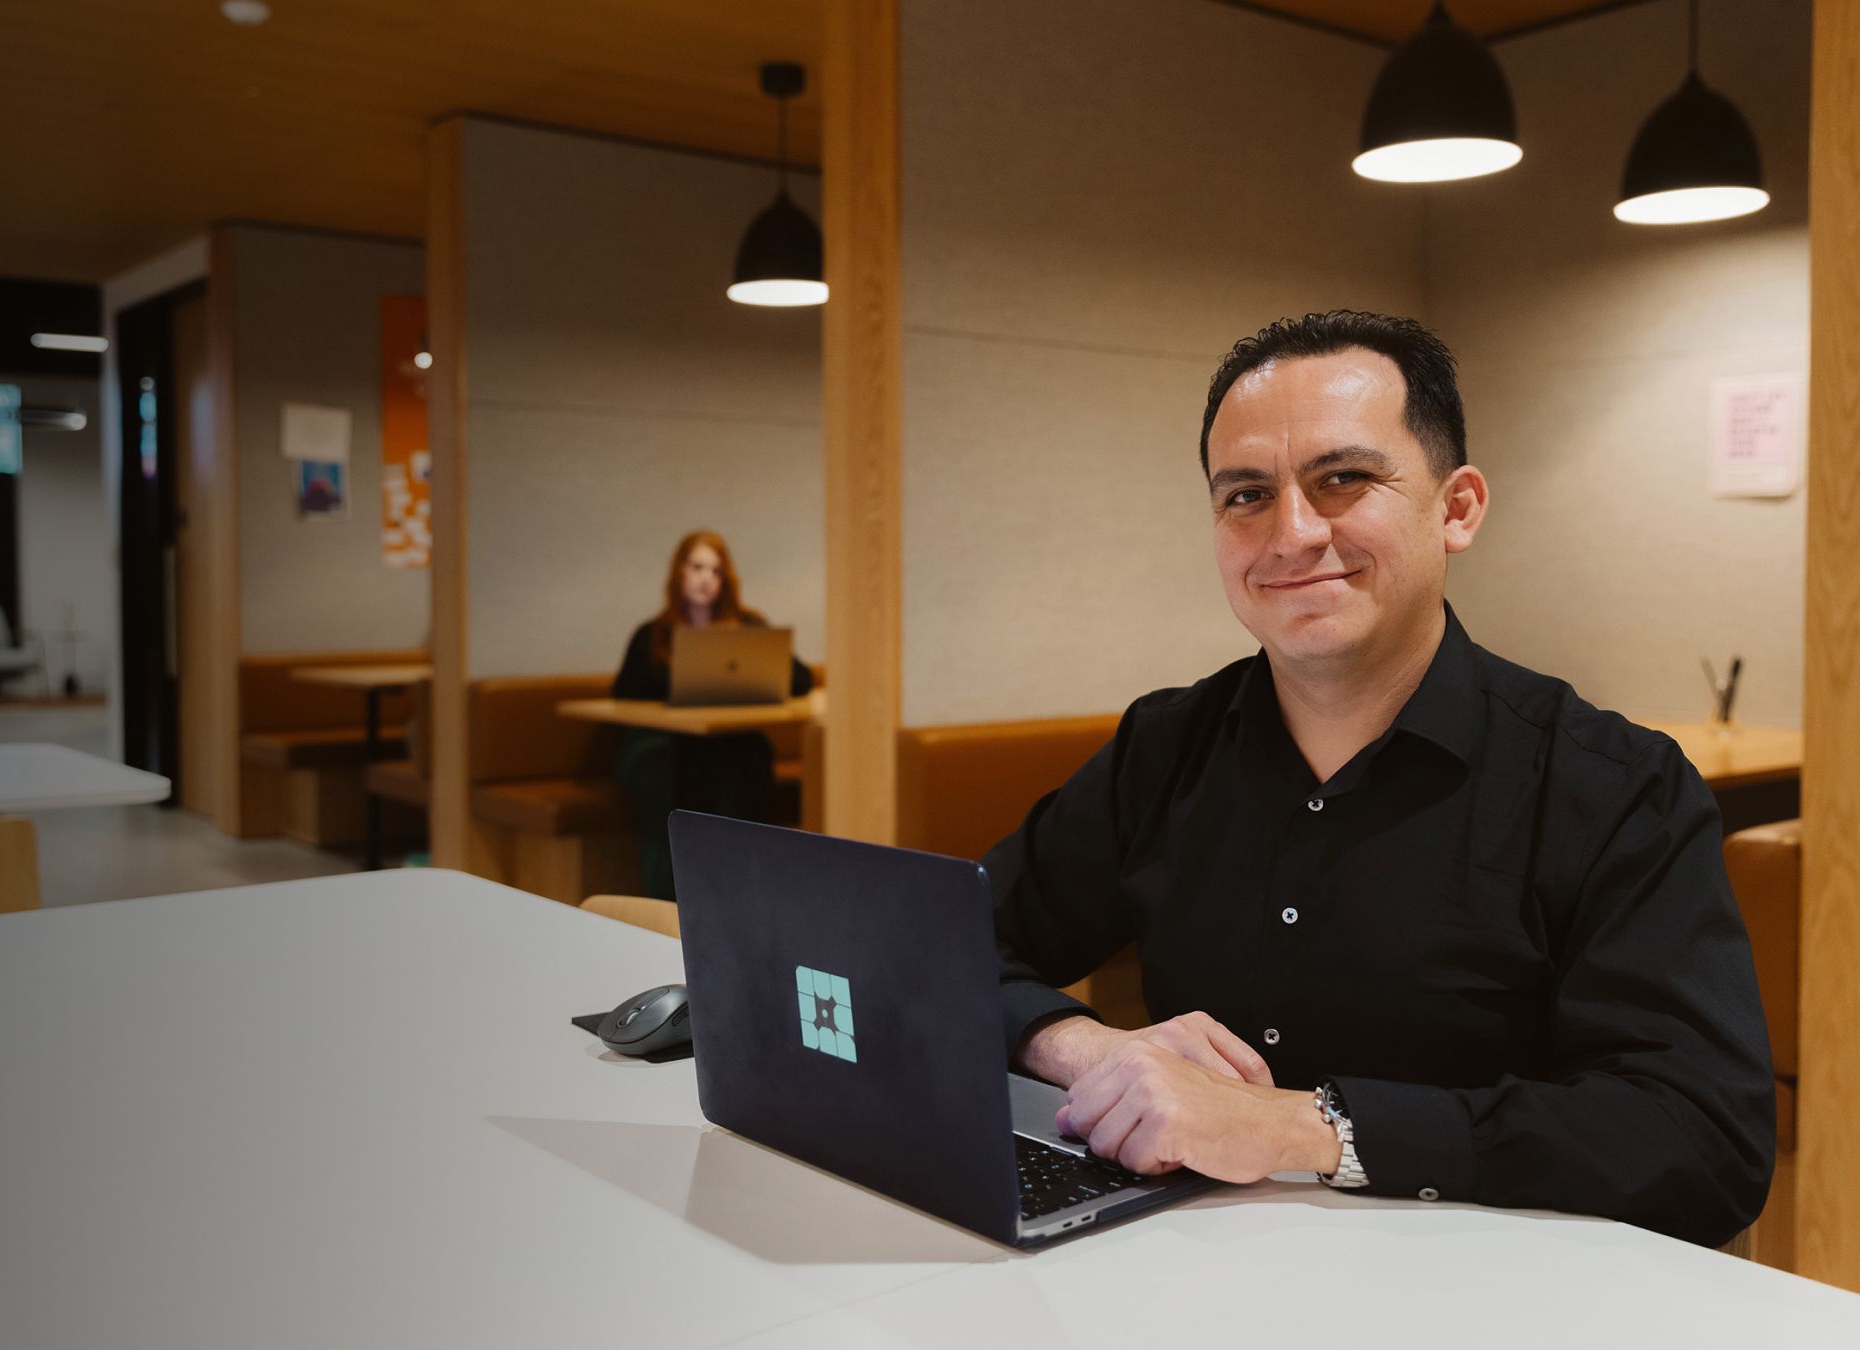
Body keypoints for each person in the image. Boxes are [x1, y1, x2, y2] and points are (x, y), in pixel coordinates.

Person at [987, 311, 1774, 1247]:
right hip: (1195, 1272)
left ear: (1458, 509)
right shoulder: (1166, 747)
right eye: (1245, 495)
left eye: (1343, 479)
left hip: (1498, 1292)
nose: (1290, 533)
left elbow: (1702, 1138)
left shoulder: (1613, 788)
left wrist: (1306, 1128)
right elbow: (945, 945)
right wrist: (1083, 1046)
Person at [613, 529, 812, 900]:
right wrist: (683, 685)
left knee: (750, 755)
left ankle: (739, 889)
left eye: (716, 571)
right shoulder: (653, 635)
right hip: (661, 742)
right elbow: (625, 690)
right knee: (674, 767)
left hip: (727, 743)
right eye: (697, 567)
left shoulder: (748, 626)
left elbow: (799, 678)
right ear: (679, 572)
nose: (706, 578)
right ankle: (672, 894)